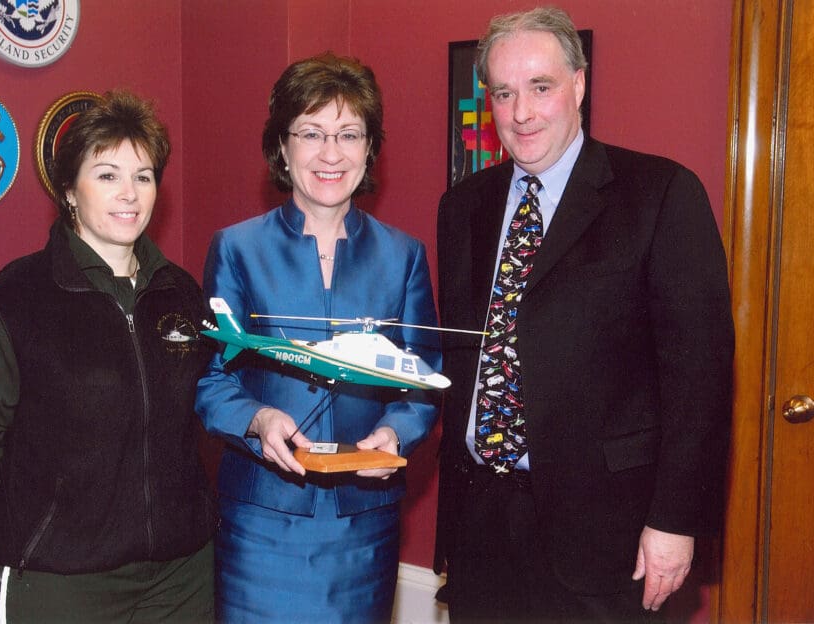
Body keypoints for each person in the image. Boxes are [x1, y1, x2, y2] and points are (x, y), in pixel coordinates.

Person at [434, 8, 734, 623]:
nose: (521, 113)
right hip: (482, 529)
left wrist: (675, 522)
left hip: (607, 540)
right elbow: (465, 364)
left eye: (540, 88)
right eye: (505, 93)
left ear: (579, 84)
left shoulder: (660, 193)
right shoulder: (462, 208)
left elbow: (700, 379)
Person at [0, 90, 216, 623]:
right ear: (69, 190)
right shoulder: (11, 302)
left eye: (144, 176)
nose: (129, 193)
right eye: (107, 175)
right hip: (60, 579)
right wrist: (38, 515)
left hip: (181, 573)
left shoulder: (181, 294)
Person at [194, 52, 441, 623]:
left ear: (370, 149)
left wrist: (395, 432)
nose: (331, 154)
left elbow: (422, 380)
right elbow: (210, 379)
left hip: (365, 526)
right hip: (260, 522)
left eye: (349, 134)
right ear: (282, 147)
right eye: (311, 133)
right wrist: (256, 419)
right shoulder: (235, 248)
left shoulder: (404, 256)